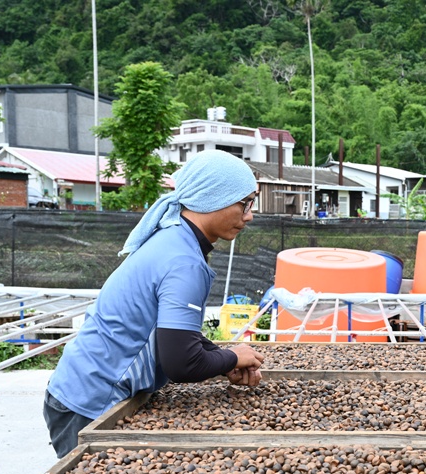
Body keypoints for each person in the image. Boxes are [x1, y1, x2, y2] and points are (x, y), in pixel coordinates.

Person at [43, 150, 266, 458]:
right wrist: (230, 358)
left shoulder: (173, 238)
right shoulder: (183, 260)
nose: (249, 215)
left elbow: (168, 333)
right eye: (245, 203)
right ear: (213, 198)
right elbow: (182, 363)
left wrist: (224, 358)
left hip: (82, 391)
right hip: (91, 403)